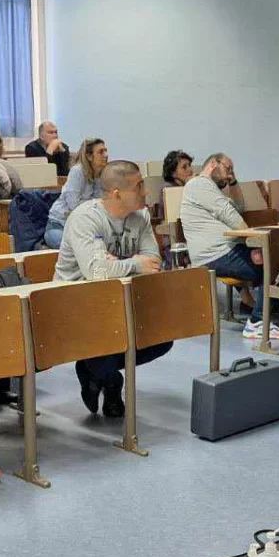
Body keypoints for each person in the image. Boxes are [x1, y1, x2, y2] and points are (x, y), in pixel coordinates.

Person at [53, 161, 172, 417]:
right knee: (105, 341)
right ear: (117, 194)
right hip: (75, 305)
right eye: (139, 186)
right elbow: (95, 272)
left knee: (162, 338)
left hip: (118, 300)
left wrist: (115, 264)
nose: (146, 192)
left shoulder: (141, 217)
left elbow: (153, 262)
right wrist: (134, 263)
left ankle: (93, 369)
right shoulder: (85, 218)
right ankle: (110, 379)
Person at [180, 153, 279, 340]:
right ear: (213, 163)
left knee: (271, 257)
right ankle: (257, 322)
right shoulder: (198, 184)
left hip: (226, 249)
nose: (230, 174)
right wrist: (253, 239)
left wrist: (233, 181)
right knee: (268, 262)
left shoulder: (212, 189)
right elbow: (229, 214)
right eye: (228, 169)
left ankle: (269, 307)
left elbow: (238, 207)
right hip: (214, 255)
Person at [43, 137, 108, 249]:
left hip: (84, 227)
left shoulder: (103, 174)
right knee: (73, 248)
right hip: (59, 225)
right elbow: (74, 205)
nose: (106, 155)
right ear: (89, 156)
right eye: (101, 152)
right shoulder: (78, 171)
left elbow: (103, 204)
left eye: (106, 150)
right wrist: (96, 205)